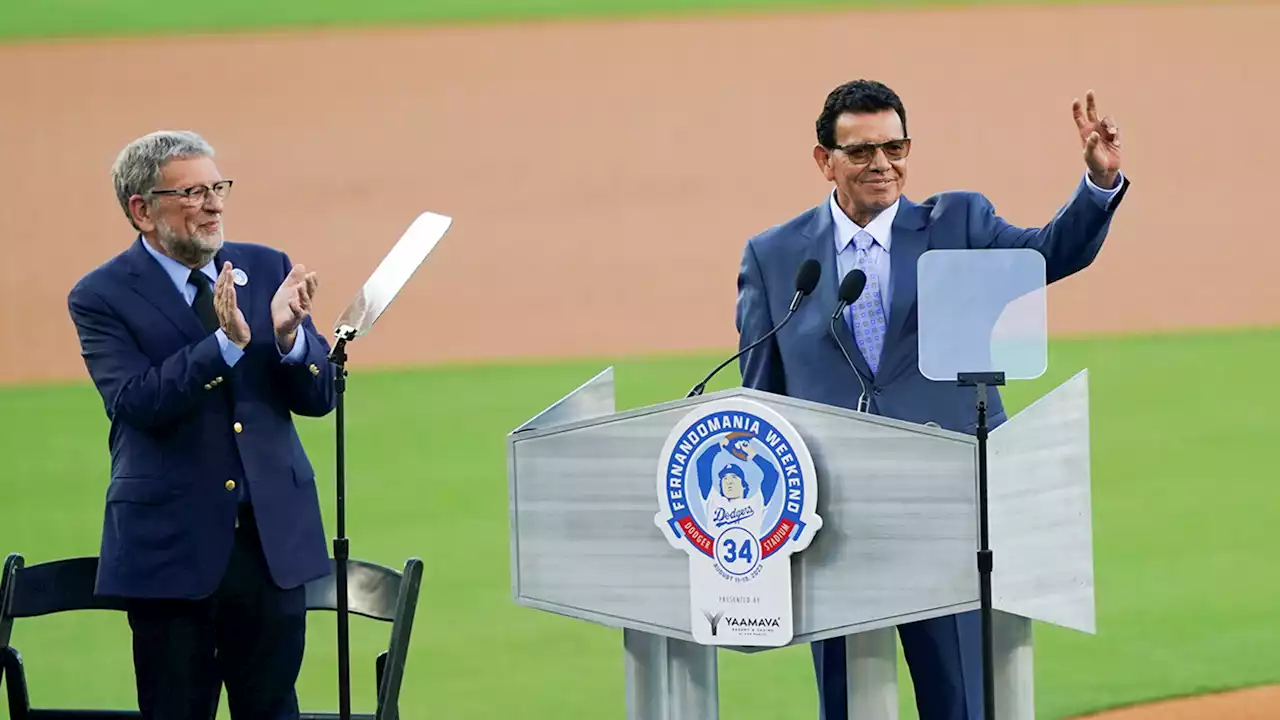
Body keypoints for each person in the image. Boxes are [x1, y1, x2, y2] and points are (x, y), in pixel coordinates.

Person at [733, 80, 1128, 720]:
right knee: (848, 703)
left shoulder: (959, 223)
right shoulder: (775, 256)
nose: (881, 164)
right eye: (861, 151)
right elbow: (761, 393)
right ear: (823, 159)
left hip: (946, 511)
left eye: (895, 147)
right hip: (831, 522)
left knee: (961, 702)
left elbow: (1049, 255)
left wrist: (1098, 185)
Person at [67, 130, 336, 719]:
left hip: (271, 546)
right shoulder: (100, 296)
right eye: (192, 192)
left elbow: (319, 399)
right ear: (142, 209)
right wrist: (225, 344)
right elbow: (138, 402)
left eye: (218, 187)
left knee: (271, 709)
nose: (214, 203)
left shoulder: (267, 266)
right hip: (171, 551)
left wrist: (290, 341)